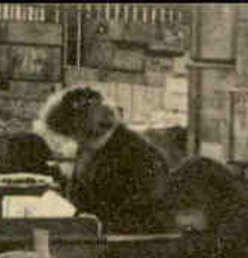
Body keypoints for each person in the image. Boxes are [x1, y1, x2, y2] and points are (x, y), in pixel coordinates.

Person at [38, 86, 176, 236]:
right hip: (92, 234)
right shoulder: (90, 146)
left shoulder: (139, 155)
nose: (71, 141)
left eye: (72, 135)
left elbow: (143, 218)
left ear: (81, 130)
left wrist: (88, 226)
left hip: (130, 243)